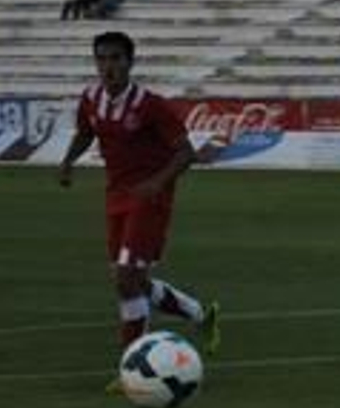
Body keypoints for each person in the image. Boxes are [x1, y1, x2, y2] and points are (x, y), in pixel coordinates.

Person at [57, 31, 221, 377]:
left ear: (130, 62)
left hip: (150, 197)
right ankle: (199, 315)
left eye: (116, 58)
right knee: (134, 280)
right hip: (115, 196)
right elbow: (86, 131)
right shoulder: (90, 98)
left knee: (125, 278)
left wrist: (158, 182)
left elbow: (187, 153)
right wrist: (68, 161)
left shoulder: (150, 105)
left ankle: (133, 367)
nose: (108, 66)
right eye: (102, 59)